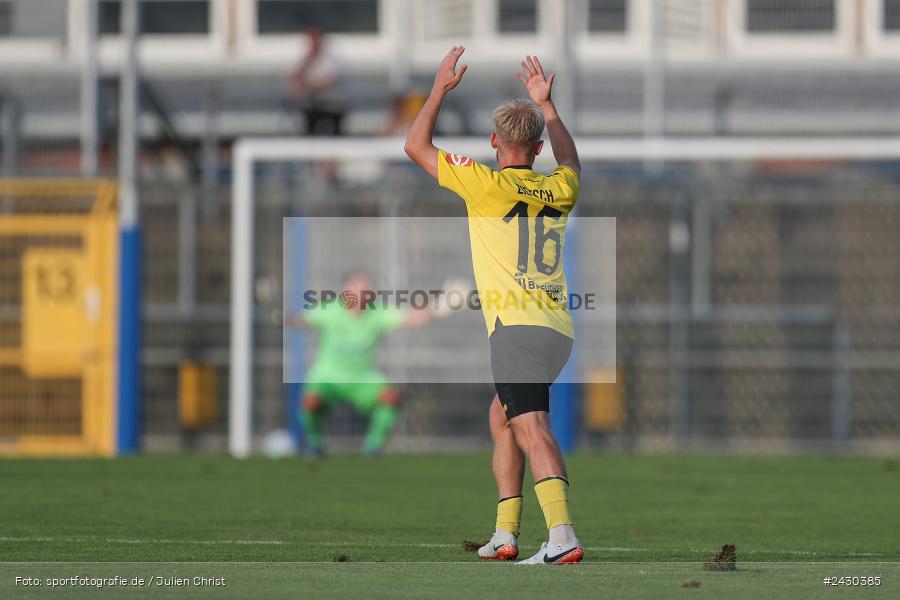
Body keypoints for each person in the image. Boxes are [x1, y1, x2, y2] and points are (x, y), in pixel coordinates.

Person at [404, 47, 584, 565]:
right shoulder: (559, 187)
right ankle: (506, 533)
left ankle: (563, 535)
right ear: (539, 146)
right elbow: (571, 161)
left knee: (531, 426)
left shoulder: (484, 184)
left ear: (493, 143)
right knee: (503, 418)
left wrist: (439, 88)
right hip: (556, 328)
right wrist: (548, 107)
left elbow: (415, 145)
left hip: (516, 326)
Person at [287, 272, 433, 458]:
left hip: (363, 378)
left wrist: (435, 309)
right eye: (357, 290)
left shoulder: (377, 312)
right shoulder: (329, 310)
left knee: (390, 397)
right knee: (309, 402)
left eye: (366, 291)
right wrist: (285, 317)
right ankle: (315, 443)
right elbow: (302, 320)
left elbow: (411, 318)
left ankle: (373, 447)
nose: (362, 295)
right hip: (327, 377)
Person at [289, 27, 346, 136]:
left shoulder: (331, 58)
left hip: (332, 105)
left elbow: (329, 81)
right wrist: (308, 60)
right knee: (309, 132)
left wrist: (307, 86)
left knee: (334, 134)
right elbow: (294, 76)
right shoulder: (305, 59)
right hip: (312, 104)